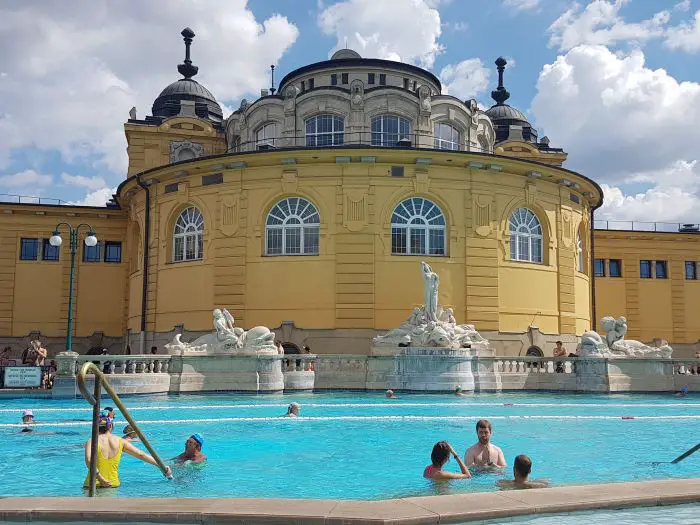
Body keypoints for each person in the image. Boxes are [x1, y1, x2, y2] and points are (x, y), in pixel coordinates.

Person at [83, 414, 171, 489]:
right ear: (110, 426)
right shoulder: (120, 441)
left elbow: (89, 460)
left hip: (92, 485)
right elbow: (141, 454)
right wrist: (161, 466)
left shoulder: (91, 441)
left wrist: (101, 479)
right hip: (112, 484)